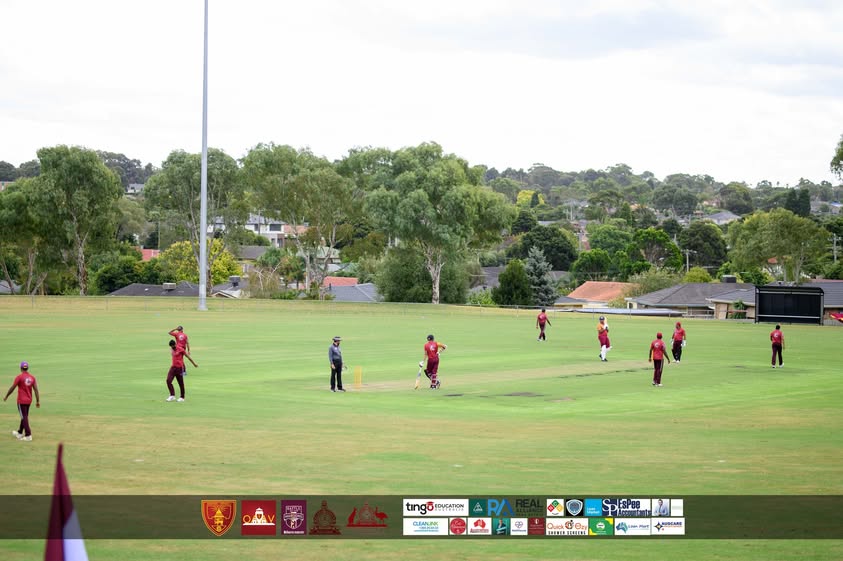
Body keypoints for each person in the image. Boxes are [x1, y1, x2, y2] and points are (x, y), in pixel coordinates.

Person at [3, 361, 40, 441]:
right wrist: (37, 401)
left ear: (20, 368)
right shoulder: (32, 378)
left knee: (24, 417)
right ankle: (19, 433)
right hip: (29, 400)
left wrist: (6, 396)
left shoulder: (19, 377)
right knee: (24, 416)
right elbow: (36, 390)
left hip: (21, 401)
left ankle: (28, 435)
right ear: (27, 368)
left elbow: (13, 387)